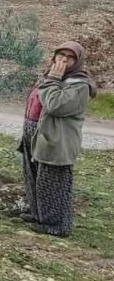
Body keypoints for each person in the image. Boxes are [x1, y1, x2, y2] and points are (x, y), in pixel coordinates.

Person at [18, 41, 96, 237]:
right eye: (60, 55)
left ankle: (56, 225)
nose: (62, 59)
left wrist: (53, 79)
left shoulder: (79, 85)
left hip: (56, 140)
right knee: (34, 177)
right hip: (35, 135)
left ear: (77, 61)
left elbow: (55, 105)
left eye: (69, 57)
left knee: (52, 182)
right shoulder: (51, 77)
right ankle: (38, 215)